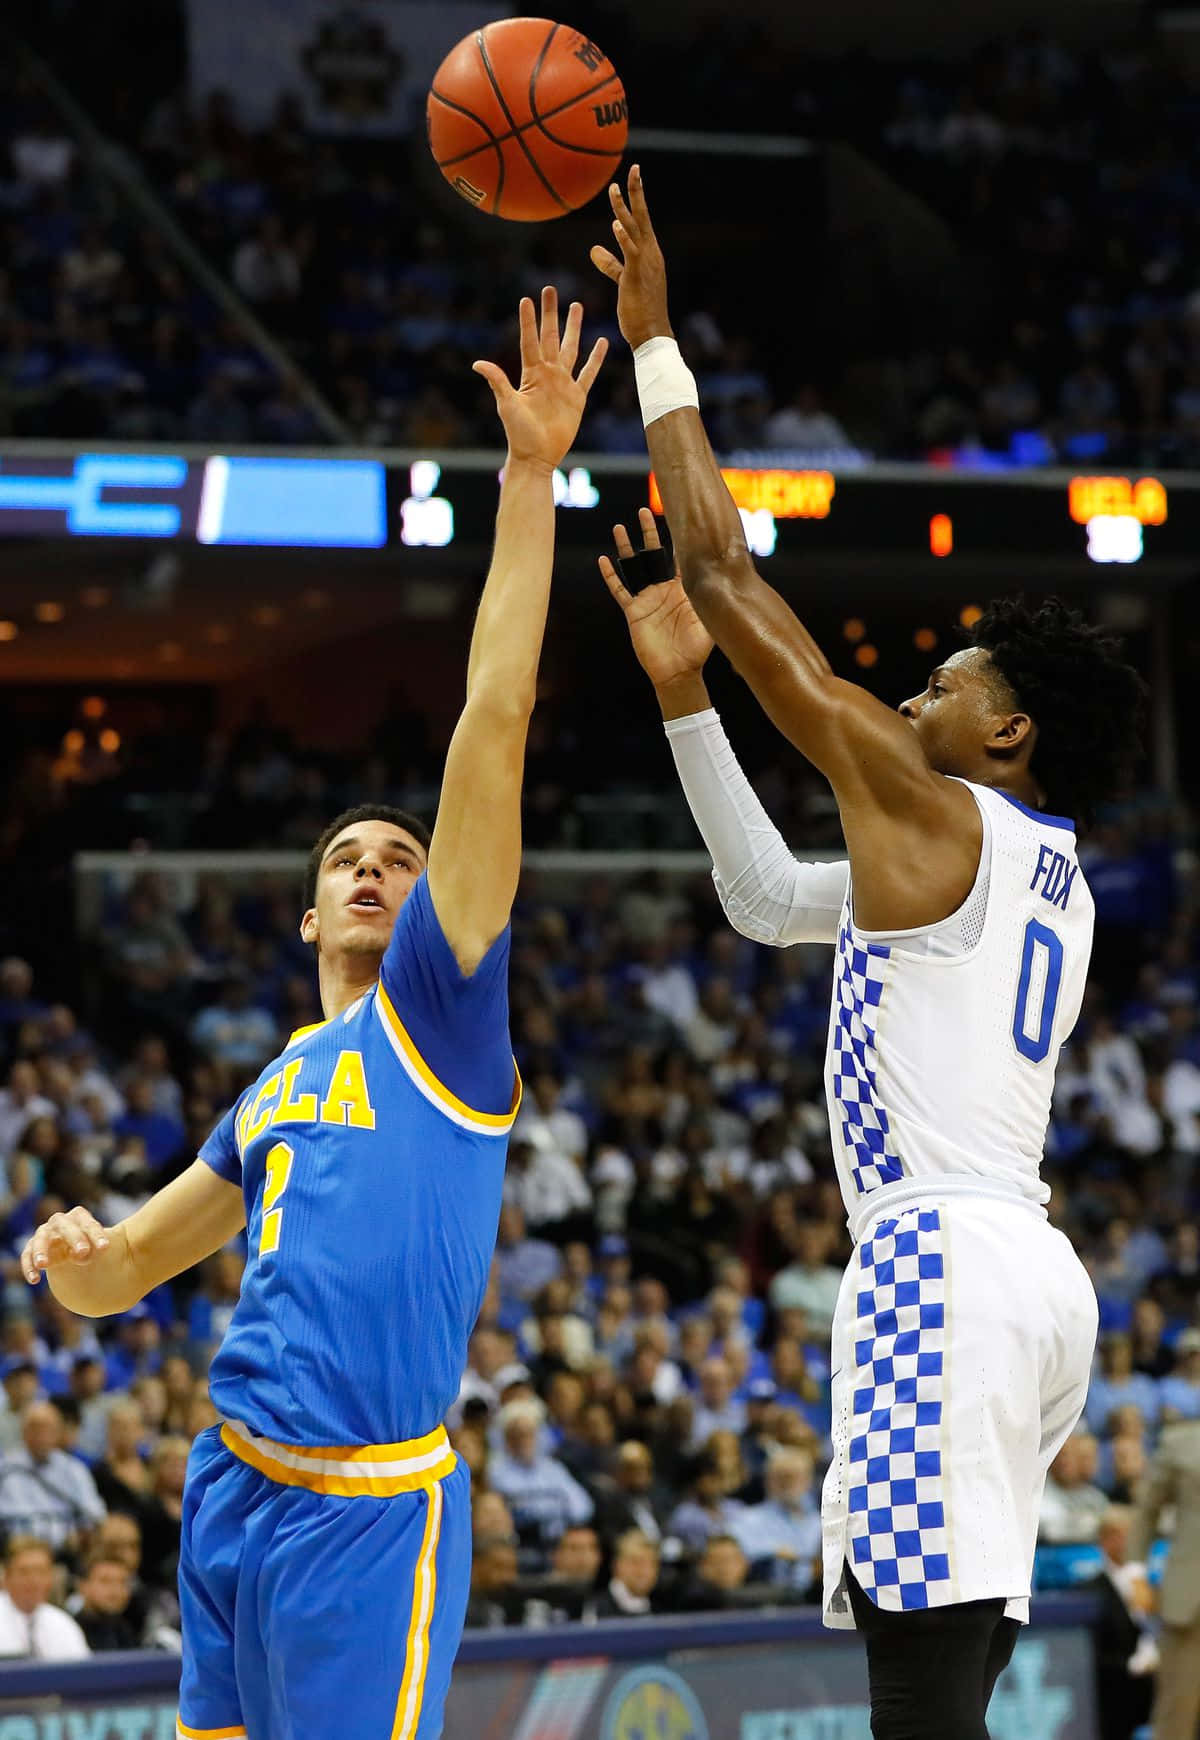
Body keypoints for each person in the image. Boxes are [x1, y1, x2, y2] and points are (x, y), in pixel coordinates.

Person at [592, 164, 1144, 1740]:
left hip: (939, 1261)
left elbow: (727, 576)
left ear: (1010, 732)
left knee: (913, 1692)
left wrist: (657, 347)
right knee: (948, 1680)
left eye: (949, 683)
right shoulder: (1048, 875)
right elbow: (770, 901)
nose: (913, 695)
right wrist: (687, 704)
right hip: (1038, 1279)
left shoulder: (937, 811)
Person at [19, 288, 607, 1740]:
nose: (372, 868)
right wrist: (73, 1256)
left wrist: (527, 478)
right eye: (344, 858)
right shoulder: (278, 1081)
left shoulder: (442, 1019)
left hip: (368, 1511)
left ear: (432, 908)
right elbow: (133, 1267)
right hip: (229, 1484)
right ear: (302, 912)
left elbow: (496, 714)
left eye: (400, 859)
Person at [1128, 1415, 1200, 1740]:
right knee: (1175, 1716)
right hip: (1189, 1600)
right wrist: (1136, 1572)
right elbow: (1146, 1510)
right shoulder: (1180, 1441)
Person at [0, 1535, 90, 1660]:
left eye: (41, 1572)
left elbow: (84, 1674)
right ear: (6, 1577)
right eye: (24, 1572)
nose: (34, 1581)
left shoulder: (62, 1623)